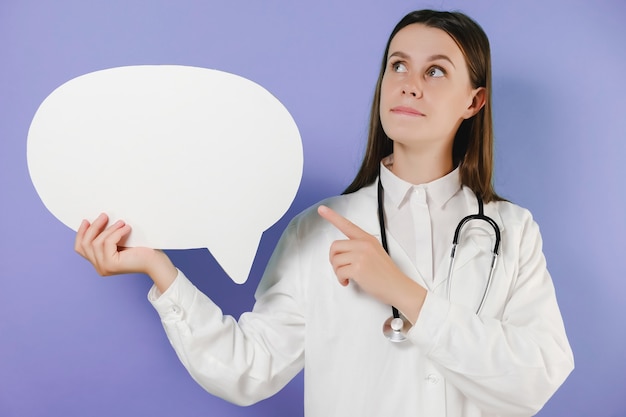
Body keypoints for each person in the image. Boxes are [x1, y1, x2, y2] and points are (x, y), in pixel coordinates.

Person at [75, 9, 574, 416]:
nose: (409, 84)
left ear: (475, 100)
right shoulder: (319, 228)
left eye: (436, 70)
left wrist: (400, 291)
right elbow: (248, 369)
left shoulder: (511, 231)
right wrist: (159, 269)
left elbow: (536, 379)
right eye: (397, 65)